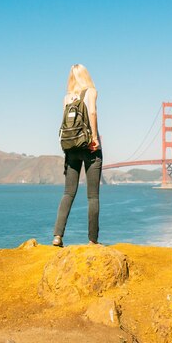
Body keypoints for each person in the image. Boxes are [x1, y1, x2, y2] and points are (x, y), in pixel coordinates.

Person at [52, 64, 102, 247]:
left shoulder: (66, 98)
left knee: (68, 193)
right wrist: (94, 138)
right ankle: (93, 240)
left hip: (71, 147)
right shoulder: (91, 92)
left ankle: (57, 236)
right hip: (89, 147)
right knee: (93, 196)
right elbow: (93, 112)